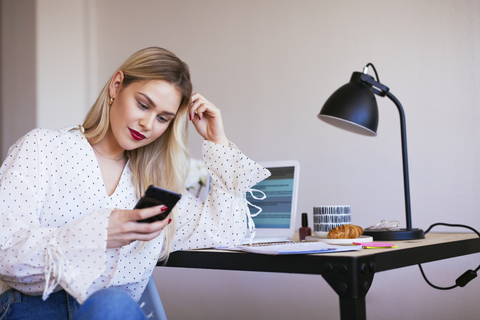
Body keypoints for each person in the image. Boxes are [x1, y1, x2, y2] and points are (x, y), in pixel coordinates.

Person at [0, 47, 270, 319]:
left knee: (112, 305)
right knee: (112, 305)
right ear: (116, 86)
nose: (147, 123)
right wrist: (96, 234)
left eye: (163, 118)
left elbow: (228, 233)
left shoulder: (153, 185)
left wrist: (217, 142)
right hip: (36, 309)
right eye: (143, 105)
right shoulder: (44, 148)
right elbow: (4, 252)